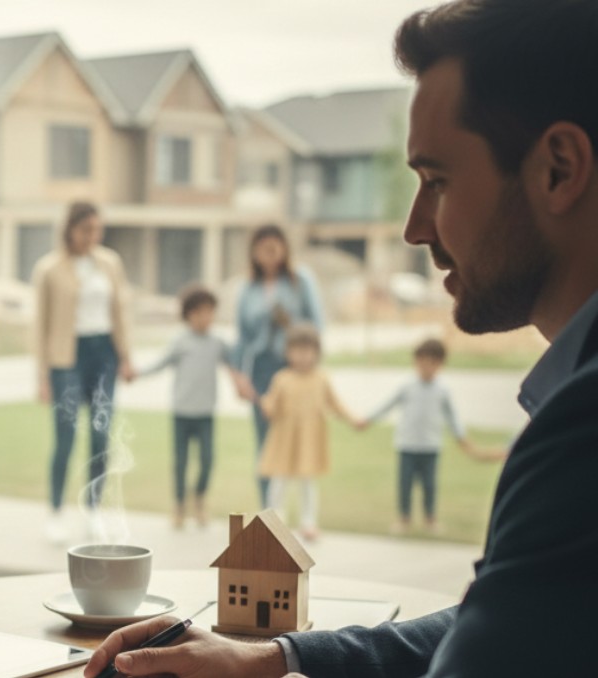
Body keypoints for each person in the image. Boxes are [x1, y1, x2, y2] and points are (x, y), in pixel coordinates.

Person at [85, 0, 598, 675]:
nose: (416, 228)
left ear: (559, 169)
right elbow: (503, 619)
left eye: (436, 181)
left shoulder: (580, 431)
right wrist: (273, 656)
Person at [32, 201, 133, 542]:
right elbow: (40, 327)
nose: (92, 236)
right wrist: (42, 377)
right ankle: (56, 512)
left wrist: (126, 356)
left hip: (104, 354)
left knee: (101, 434)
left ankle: (93, 510)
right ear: (70, 229)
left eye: (97, 229)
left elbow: (120, 312)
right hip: (66, 358)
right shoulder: (50, 269)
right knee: (65, 434)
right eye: (86, 229)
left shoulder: (110, 263)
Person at [359, 338, 501, 534]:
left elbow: (452, 417)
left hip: (431, 446)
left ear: (440, 364)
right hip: (407, 445)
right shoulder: (407, 385)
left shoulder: (442, 389)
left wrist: (461, 437)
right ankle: (404, 519)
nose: (426, 368)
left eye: (431, 364)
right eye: (421, 363)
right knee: (405, 484)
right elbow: (388, 405)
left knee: (430, 486)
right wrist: (368, 419)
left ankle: (430, 519)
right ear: (415, 362)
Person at [134, 285, 243, 529]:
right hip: (181, 414)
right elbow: (160, 363)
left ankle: (200, 498)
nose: (205, 318)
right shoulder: (180, 342)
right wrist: (137, 374)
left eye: (209, 312)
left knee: (207, 460)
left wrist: (241, 384)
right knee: (180, 463)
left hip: (205, 414)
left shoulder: (217, 343)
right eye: (199, 313)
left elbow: (234, 366)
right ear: (188, 315)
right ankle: (179, 506)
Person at [232, 225, 324, 508]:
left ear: (285, 249)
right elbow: (242, 338)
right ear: (254, 253)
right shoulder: (248, 289)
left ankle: (304, 511)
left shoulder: (300, 281)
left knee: (299, 439)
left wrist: (310, 362)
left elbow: (316, 325)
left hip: (294, 367)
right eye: (263, 249)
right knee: (266, 443)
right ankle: (268, 513)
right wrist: (239, 376)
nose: (270, 255)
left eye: (275, 248)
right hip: (261, 368)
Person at [257, 324, 359, 540]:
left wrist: (352, 419)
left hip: (309, 441)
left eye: (307, 350)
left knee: (307, 483)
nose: (303, 356)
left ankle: (308, 522)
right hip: (285, 441)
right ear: (288, 352)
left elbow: (335, 403)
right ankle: (273, 521)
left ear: (316, 352)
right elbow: (271, 406)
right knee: (278, 481)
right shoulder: (282, 378)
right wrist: (265, 404)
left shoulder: (321, 378)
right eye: (297, 350)